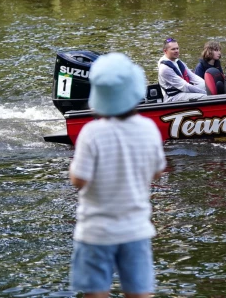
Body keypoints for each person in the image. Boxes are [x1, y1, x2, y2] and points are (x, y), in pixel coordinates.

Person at [69, 52, 167, 298]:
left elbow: (79, 179)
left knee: (96, 293)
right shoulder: (149, 129)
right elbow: (156, 171)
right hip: (135, 230)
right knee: (139, 293)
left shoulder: (91, 133)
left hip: (96, 231)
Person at [158, 38, 206, 102]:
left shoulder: (178, 61)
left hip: (183, 91)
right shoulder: (164, 69)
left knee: (206, 85)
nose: (176, 51)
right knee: (205, 97)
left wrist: (206, 85)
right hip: (173, 97)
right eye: (173, 49)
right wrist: (205, 92)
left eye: (177, 48)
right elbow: (185, 86)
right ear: (165, 51)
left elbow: (193, 77)